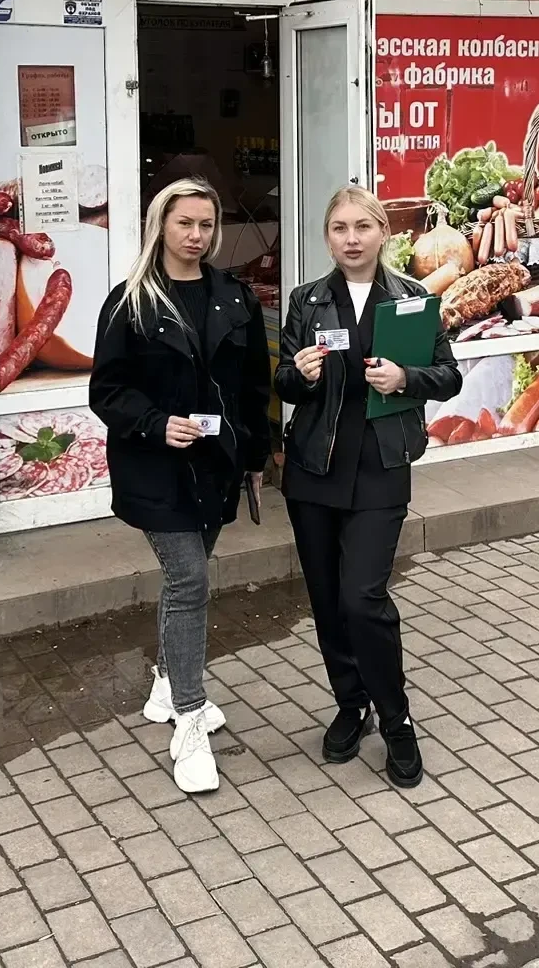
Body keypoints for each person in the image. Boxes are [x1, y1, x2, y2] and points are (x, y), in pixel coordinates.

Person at [90, 178, 271, 794]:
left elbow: (252, 385)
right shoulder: (130, 301)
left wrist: (255, 455)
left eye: (205, 225)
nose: (196, 236)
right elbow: (105, 393)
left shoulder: (235, 297)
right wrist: (153, 423)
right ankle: (190, 721)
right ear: (160, 226)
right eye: (184, 224)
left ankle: (166, 683)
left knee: (182, 582)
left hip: (216, 466)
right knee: (190, 579)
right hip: (155, 469)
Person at [276, 185, 461, 787]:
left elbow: (449, 376)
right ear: (327, 236)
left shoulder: (412, 298)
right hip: (314, 471)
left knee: (363, 597)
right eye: (339, 228)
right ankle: (350, 704)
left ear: (384, 233)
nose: (350, 239)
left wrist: (407, 376)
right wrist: (299, 376)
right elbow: (282, 380)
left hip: (382, 468)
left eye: (362, 226)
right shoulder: (306, 301)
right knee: (329, 601)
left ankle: (396, 715)